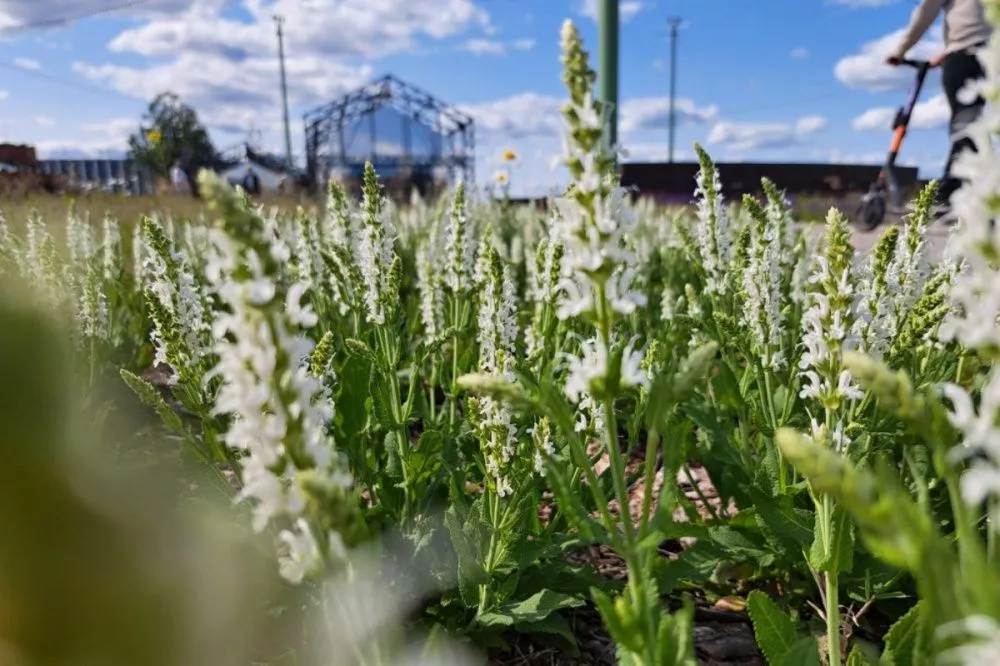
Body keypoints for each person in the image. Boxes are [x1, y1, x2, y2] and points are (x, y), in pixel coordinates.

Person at [886, 0, 991, 224]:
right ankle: (977, 193)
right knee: (974, 123)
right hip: (988, 55)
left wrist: (900, 50)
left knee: (965, 125)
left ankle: (952, 194)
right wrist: (946, 52)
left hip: (966, 55)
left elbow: (926, 12)